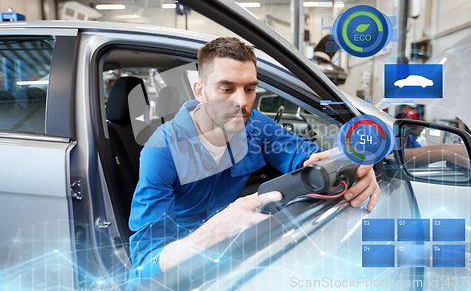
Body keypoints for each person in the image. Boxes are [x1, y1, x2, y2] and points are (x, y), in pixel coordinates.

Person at [126, 37, 380, 287]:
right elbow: (144, 267)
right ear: (201, 91)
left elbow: (309, 158)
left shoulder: (256, 127)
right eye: (226, 89)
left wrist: (353, 168)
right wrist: (216, 230)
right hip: (184, 271)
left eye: (249, 88)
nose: (242, 102)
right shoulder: (163, 149)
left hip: (239, 261)